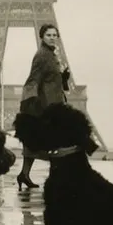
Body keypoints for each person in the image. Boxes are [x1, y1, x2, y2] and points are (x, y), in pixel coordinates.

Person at [15, 23, 70, 190]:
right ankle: (54, 179)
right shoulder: (42, 55)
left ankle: (24, 174)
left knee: (36, 142)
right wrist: (32, 103)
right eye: (49, 35)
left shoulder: (52, 55)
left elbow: (51, 79)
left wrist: (63, 77)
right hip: (46, 105)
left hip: (54, 102)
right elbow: (34, 79)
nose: (52, 38)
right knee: (54, 142)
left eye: (55, 35)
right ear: (42, 37)